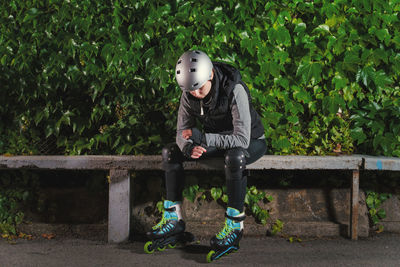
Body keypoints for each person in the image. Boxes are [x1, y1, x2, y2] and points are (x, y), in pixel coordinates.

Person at [145, 50, 267, 260]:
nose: (196, 93)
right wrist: (187, 147)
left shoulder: (234, 89)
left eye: (199, 87)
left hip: (251, 141)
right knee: (171, 152)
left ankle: (234, 226)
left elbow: (241, 140)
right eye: (191, 90)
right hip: (216, 140)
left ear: (210, 75)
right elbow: (181, 132)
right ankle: (174, 219)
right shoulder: (189, 92)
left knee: (235, 157)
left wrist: (203, 138)